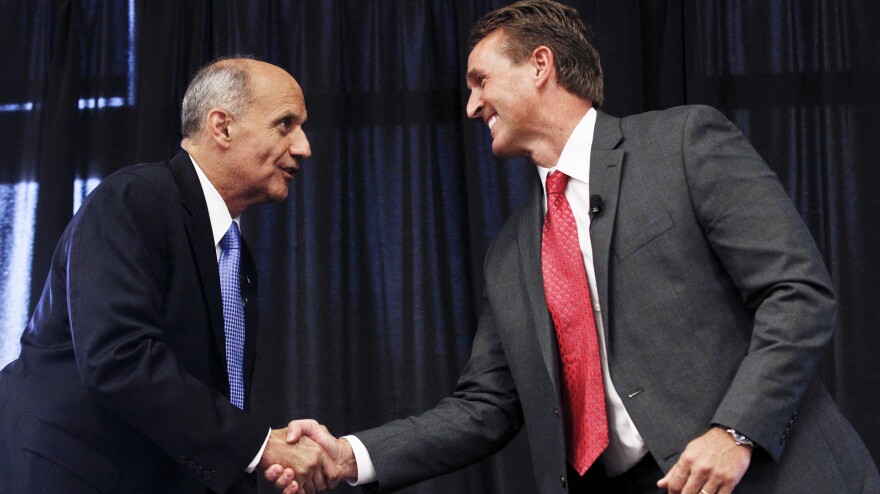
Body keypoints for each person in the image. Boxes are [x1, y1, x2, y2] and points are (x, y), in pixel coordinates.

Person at [268, 1, 880, 493]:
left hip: (769, 473)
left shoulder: (682, 144)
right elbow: (485, 407)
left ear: (540, 65)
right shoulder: (511, 251)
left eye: (481, 80)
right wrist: (350, 455)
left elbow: (796, 293)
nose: (471, 105)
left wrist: (736, 431)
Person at [0, 57, 338, 494]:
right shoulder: (134, 199)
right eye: (285, 124)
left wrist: (254, 460)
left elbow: (208, 400)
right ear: (222, 127)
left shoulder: (234, 255)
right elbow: (118, 357)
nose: (304, 146)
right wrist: (259, 444)